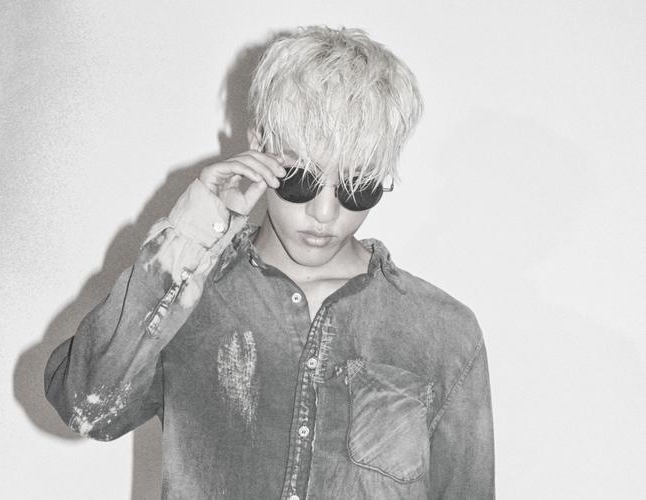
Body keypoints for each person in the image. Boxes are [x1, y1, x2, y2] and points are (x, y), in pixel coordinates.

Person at [44, 26, 494, 499]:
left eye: (357, 185)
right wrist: (191, 237)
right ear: (259, 145)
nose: (325, 213)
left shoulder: (443, 332)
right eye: (300, 177)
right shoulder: (192, 297)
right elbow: (84, 408)